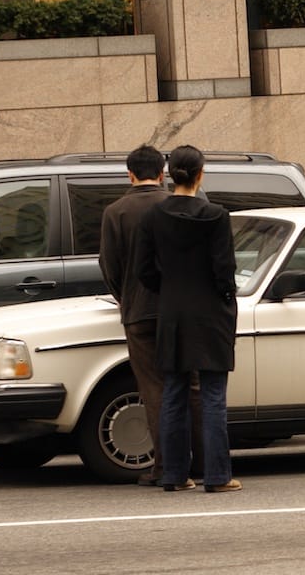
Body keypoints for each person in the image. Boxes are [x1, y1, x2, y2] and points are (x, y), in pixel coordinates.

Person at [136, 146, 242, 493]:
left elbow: (144, 271)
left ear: (169, 174)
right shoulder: (216, 215)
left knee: (174, 392)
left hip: (172, 310)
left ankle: (175, 475)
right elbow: (224, 270)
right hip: (211, 312)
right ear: (200, 174)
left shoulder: (153, 217)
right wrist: (226, 298)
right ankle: (217, 475)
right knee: (212, 394)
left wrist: (168, 290)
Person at [99, 144, 178, 488]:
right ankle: (199, 462)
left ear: (129, 173)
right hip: (179, 310)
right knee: (188, 385)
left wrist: (126, 297)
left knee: (153, 388)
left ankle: (164, 466)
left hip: (138, 312)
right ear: (162, 173)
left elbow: (109, 266)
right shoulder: (176, 206)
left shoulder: (116, 212)